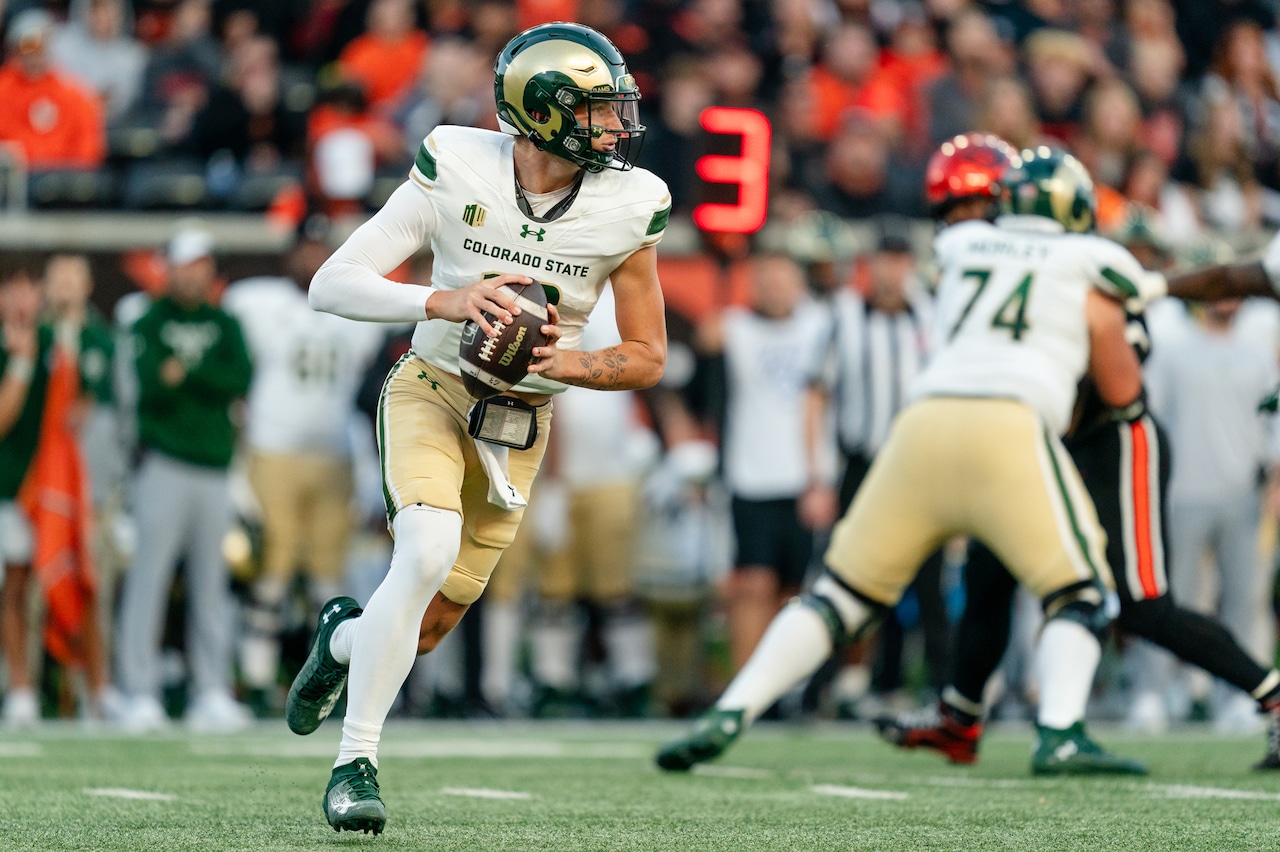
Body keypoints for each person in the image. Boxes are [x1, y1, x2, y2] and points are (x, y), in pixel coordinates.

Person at [286, 23, 670, 835]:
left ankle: (345, 640)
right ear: (544, 111)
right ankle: (355, 763)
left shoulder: (630, 205)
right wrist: (446, 300)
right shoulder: (455, 163)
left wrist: (556, 362)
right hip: (432, 387)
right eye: (597, 110)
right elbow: (333, 281)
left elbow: (646, 357)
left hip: (521, 421)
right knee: (422, 551)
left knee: (419, 630)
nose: (614, 126)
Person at [657, 142, 1148, 777]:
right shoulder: (1095, 257)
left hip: (919, 426)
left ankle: (732, 710)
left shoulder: (956, 249)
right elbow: (1122, 369)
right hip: (1008, 422)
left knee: (837, 596)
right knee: (1081, 594)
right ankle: (1060, 731)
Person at [876, 138, 1280, 773]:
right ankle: (960, 717)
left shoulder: (1087, 270)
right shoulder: (1018, 263)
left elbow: (1114, 391)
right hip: (1043, 438)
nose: (979, 221)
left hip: (1112, 440)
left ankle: (1275, 698)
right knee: (988, 571)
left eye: (989, 204)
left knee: (1143, 604)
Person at [221, 216, 384, 715]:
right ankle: (254, 679)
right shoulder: (257, 302)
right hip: (273, 450)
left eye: (320, 248)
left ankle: (322, 683)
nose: (312, 258)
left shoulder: (351, 302)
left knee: (326, 578)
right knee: (271, 570)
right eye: (305, 249)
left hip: (332, 453)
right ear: (289, 253)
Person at [113, 226, 254, 734]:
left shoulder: (225, 323)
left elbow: (239, 378)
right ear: (169, 268)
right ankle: (137, 691)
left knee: (211, 586)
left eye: (199, 265)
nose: (191, 275)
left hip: (214, 467)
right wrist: (201, 381)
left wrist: (187, 375)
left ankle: (211, 689)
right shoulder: (147, 321)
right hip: (164, 463)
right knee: (148, 580)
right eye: (183, 265)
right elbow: (151, 386)